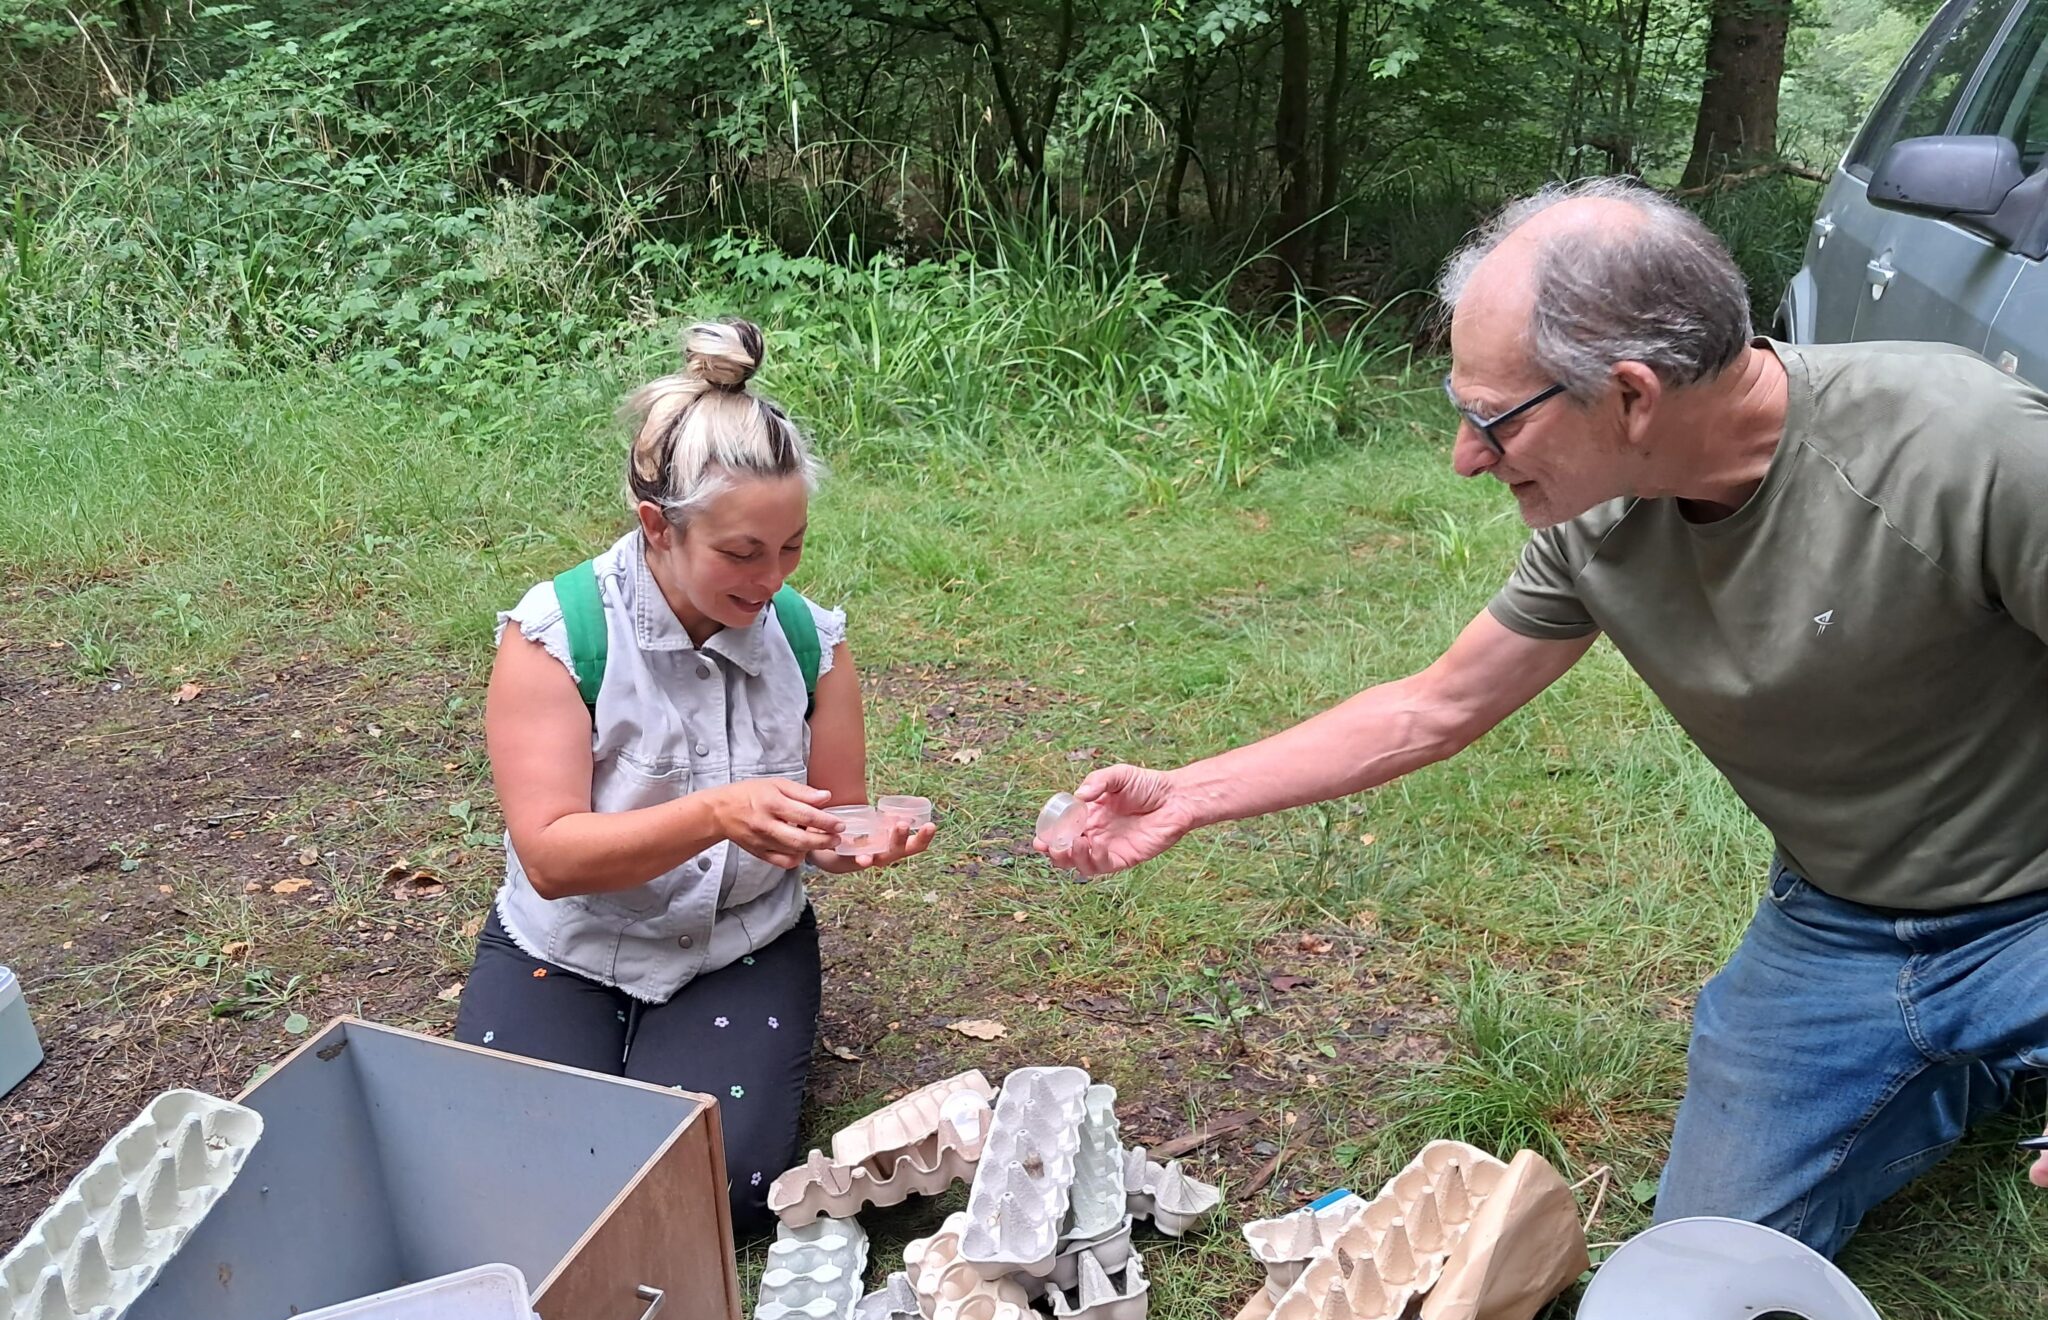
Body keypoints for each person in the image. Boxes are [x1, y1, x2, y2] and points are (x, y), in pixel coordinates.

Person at [1038, 179, 2048, 1256]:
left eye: (1490, 418)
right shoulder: (1599, 520)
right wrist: (1184, 795)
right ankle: (1962, 1065)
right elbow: (1436, 705)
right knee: (1703, 1257)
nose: (1466, 456)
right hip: (1836, 920)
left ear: (1628, 397)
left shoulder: (1967, 449)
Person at [455, 319, 934, 1233]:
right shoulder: (556, 638)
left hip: (739, 941)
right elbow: (552, 857)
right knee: (510, 1177)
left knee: (723, 1195)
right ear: (656, 528)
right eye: (742, 554)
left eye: (791, 546)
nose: (772, 579)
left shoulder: (807, 640)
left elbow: (828, 820)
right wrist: (717, 812)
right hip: (572, 939)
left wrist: (858, 843)